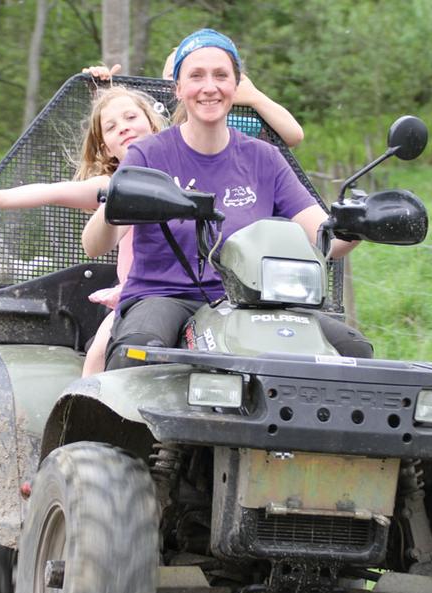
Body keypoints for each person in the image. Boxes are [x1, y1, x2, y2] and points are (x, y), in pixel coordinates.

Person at [81, 29, 373, 371]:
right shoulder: (148, 155)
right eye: (196, 76)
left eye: (221, 75)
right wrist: (118, 200)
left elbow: (325, 240)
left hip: (252, 304)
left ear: (236, 87)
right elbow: (93, 245)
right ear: (178, 88)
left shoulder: (264, 158)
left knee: (353, 352)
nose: (209, 87)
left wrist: (355, 227)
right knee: (138, 349)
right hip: (163, 296)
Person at [0, 85, 167, 376]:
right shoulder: (112, 185)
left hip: (185, 291)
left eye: (130, 117)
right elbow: (53, 191)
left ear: (152, 121)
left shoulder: (182, 162)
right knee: (100, 351)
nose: (123, 128)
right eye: (111, 127)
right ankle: (86, 413)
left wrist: (248, 96)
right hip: (138, 295)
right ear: (105, 147)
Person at [84, 57, 304, 148]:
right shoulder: (155, 122)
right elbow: (121, 141)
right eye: (172, 76)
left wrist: (254, 96)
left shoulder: (230, 127)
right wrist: (102, 91)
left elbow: (293, 136)